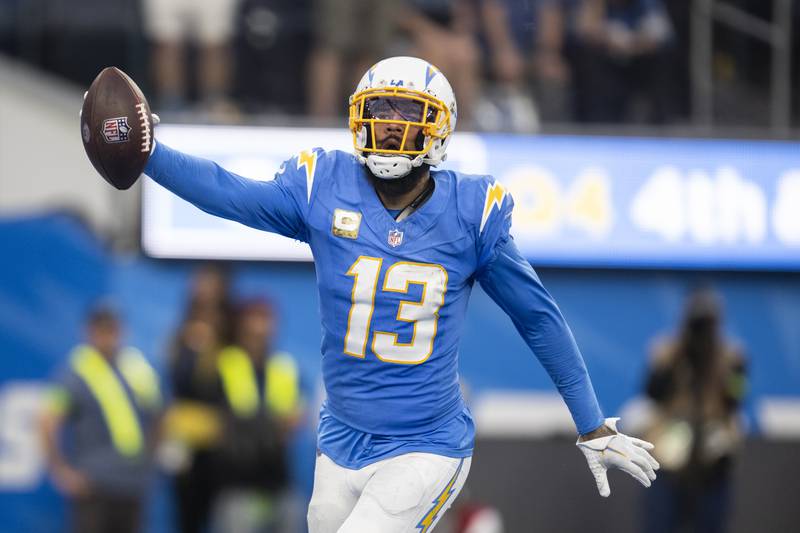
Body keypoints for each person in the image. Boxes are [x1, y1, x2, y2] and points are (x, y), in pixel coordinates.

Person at [108, 56, 659, 531]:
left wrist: (590, 422)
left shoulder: (471, 213)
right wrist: (152, 155)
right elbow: (230, 193)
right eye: (379, 111)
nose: (389, 126)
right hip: (341, 437)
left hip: (426, 443)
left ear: (437, 129)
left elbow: (538, 318)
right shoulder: (322, 186)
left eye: (406, 114)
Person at [39, 305, 162, 533]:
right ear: (89, 332)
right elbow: (47, 421)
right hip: (94, 485)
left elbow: (160, 416)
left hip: (132, 484)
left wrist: (150, 461)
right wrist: (61, 471)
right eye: (101, 330)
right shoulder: (74, 372)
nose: (107, 337)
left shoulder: (137, 369)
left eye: (112, 329)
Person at [642, 288, 747, 533]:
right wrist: (677, 358)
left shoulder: (731, 356)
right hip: (669, 456)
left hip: (713, 460)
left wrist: (729, 371)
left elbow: (736, 398)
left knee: (711, 523)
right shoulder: (666, 351)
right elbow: (652, 392)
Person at [209, 298, 303, 533]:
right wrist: (273, 423)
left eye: (266, 319)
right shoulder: (226, 362)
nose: (260, 327)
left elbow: (291, 422)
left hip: (279, 483)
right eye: (255, 319)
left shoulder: (283, 366)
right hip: (237, 485)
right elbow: (224, 422)